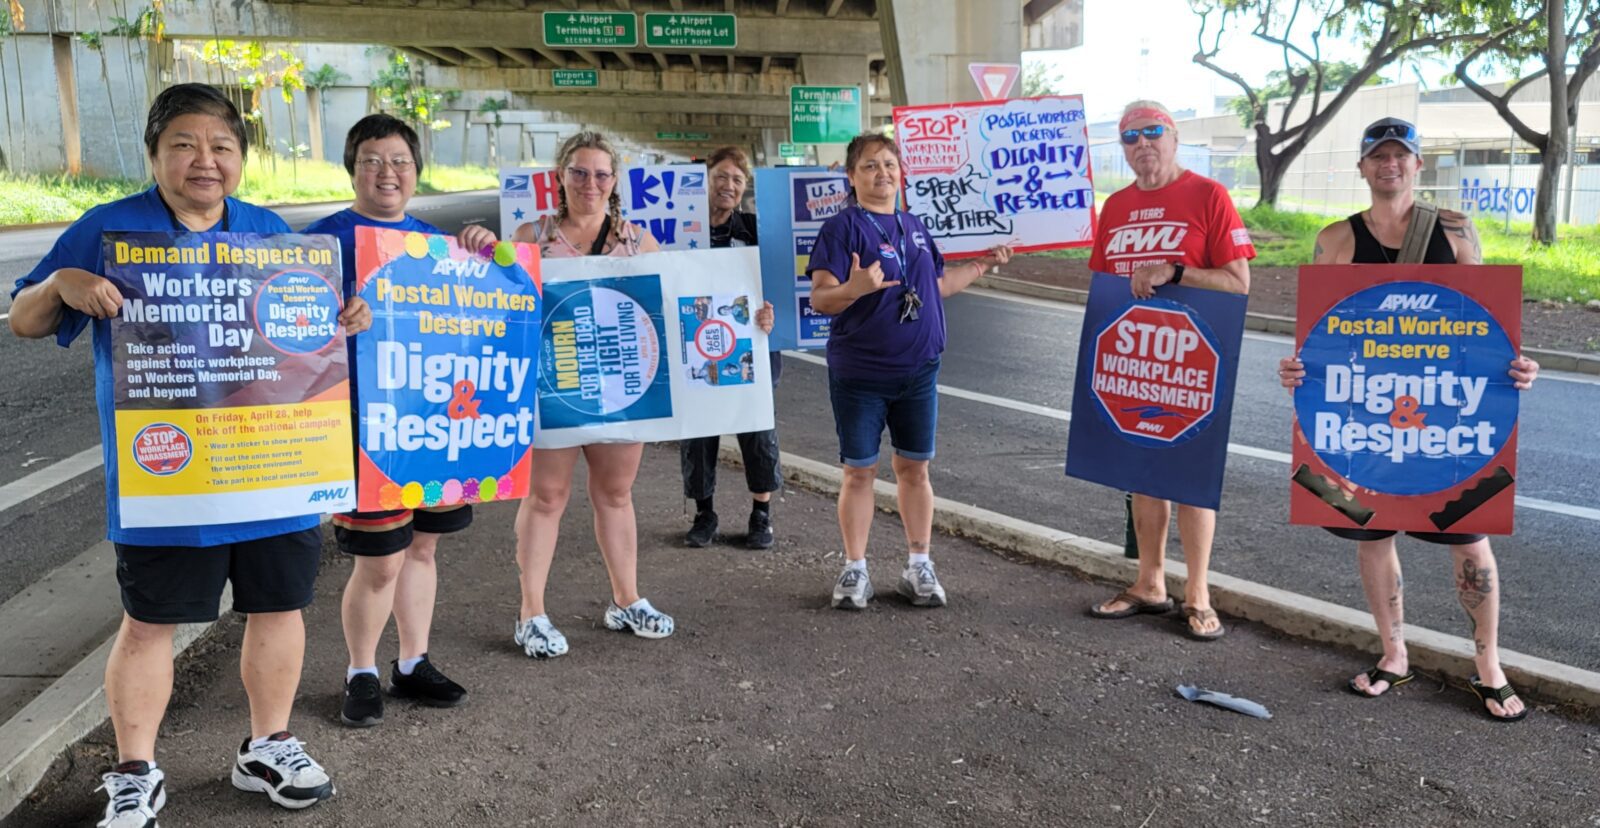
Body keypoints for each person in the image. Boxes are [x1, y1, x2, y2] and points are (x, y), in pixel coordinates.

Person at [9, 83, 358, 827]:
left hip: (274, 466)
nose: (205, 160)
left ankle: (268, 745)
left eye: (222, 146)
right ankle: (135, 770)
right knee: (149, 623)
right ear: (155, 154)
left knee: (279, 606)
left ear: (241, 158)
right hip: (169, 476)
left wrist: (346, 314)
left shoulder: (271, 234)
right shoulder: (109, 228)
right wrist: (62, 284)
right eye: (185, 145)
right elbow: (23, 319)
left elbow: (310, 332)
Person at [1276, 116, 1540, 721]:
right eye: (1378, 156)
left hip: (1446, 415)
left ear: (1418, 165)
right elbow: (1322, 335)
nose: (1389, 164)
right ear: (1363, 168)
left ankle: (1488, 665)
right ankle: (1394, 655)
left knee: (1469, 538)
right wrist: (1297, 372)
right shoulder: (1335, 240)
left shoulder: (1453, 230)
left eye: (1401, 155)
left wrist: (1517, 367)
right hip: (1362, 411)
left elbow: (1483, 324)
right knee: (1373, 533)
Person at [304, 114, 495, 728]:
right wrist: (331, 321)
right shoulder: (320, 243)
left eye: (399, 161)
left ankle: (413, 662)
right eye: (371, 160)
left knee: (423, 548)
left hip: (435, 425)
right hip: (365, 428)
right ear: (351, 169)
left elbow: (493, 311)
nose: (387, 172)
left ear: (416, 172)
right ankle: (361, 669)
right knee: (381, 556)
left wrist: (485, 256)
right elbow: (284, 336)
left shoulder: (435, 247)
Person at [806, 132, 1013, 610]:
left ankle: (919, 563)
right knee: (859, 472)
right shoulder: (842, 229)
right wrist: (855, 288)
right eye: (870, 166)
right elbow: (820, 297)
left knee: (915, 469)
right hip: (860, 372)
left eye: (889, 164)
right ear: (852, 177)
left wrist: (982, 264)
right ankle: (855, 569)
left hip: (919, 370)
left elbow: (936, 285)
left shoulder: (914, 225)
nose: (883, 173)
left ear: (902, 172)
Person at [1085, 100, 1255, 641]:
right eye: (1130, 137)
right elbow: (1103, 287)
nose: (1142, 145)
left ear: (1174, 137)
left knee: (1193, 481)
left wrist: (1175, 271)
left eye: (1152, 132)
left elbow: (1238, 281)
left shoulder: (1210, 196)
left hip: (1195, 361)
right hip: (1136, 362)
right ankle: (1149, 583)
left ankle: (1198, 593)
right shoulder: (1115, 206)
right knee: (1143, 477)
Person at [502, 131, 674, 657]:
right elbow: (502, 307)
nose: (590, 183)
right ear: (560, 176)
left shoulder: (641, 242)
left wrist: (751, 319)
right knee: (547, 497)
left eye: (601, 173)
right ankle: (531, 613)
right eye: (579, 172)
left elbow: (674, 311)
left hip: (622, 388)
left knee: (616, 494)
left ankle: (627, 599)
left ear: (614, 180)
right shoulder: (532, 236)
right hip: (556, 386)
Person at [680, 146, 780, 549]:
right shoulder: (679, 230)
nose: (729, 185)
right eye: (721, 176)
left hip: (749, 345)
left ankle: (761, 515)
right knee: (698, 432)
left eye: (738, 180)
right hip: (694, 344)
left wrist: (771, 311)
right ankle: (705, 514)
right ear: (704, 181)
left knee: (757, 429)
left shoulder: (756, 230)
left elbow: (779, 283)